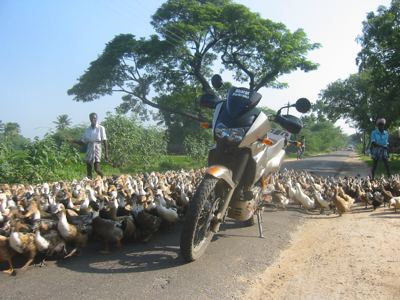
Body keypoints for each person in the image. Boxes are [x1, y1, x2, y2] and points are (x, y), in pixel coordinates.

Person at [81, 112, 109, 179]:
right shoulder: (87, 130)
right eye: (92, 118)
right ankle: (90, 180)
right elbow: (83, 142)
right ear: (90, 119)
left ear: (96, 119)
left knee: (97, 169)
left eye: (94, 118)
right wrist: (73, 141)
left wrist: (106, 153)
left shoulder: (101, 128)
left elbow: (104, 140)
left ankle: (104, 178)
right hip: (90, 146)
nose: (93, 119)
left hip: (97, 146)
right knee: (89, 166)